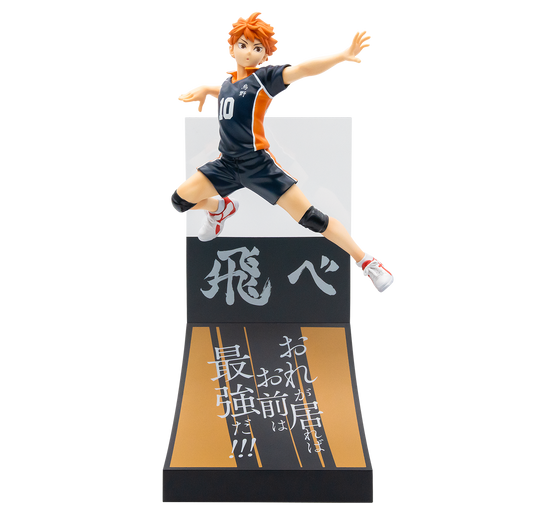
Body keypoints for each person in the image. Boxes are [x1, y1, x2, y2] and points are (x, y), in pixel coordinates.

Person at [172, 9, 396, 295]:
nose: (249, 52)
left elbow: (303, 69)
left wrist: (343, 55)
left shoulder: (265, 79)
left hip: (258, 166)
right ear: (231, 48)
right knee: (178, 200)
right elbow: (225, 90)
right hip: (225, 165)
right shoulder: (227, 83)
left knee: (311, 218)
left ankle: (366, 260)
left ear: (265, 55)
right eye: (243, 45)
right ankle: (220, 209)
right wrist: (205, 88)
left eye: (257, 48)